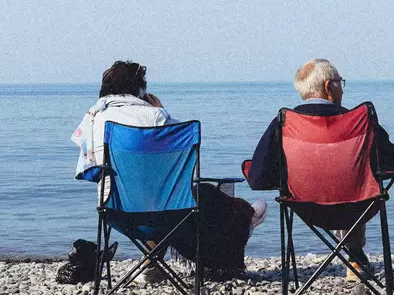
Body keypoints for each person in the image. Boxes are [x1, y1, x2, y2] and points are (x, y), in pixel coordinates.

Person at [72, 60, 267, 278]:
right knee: (197, 195)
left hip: (115, 212)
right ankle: (240, 230)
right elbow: (181, 147)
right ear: (140, 90)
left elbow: (90, 171)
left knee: (152, 193)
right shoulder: (156, 116)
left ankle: (152, 264)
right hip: (169, 214)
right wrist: (160, 110)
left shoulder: (93, 118)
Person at [246, 58, 394, 280]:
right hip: (358, 207)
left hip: (306, 208)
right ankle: (356, 258)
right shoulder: (358, 120)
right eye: (340, 81)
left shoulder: (285, 122)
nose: (341, 87)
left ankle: (351, 260)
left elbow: (257, 178)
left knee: (343, 181)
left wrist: (289, 177)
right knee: (360, 182)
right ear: (328, 87)